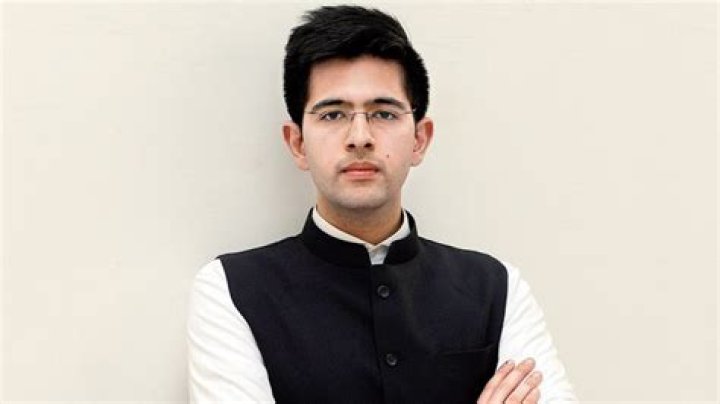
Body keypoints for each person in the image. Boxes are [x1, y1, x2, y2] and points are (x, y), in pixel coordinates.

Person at [188, 5, 577, 404]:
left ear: (420, 139)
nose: (360, 137)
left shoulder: (497, 287)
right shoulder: (230, 289)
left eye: (384, 114)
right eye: (333, 114)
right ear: (298, 143)